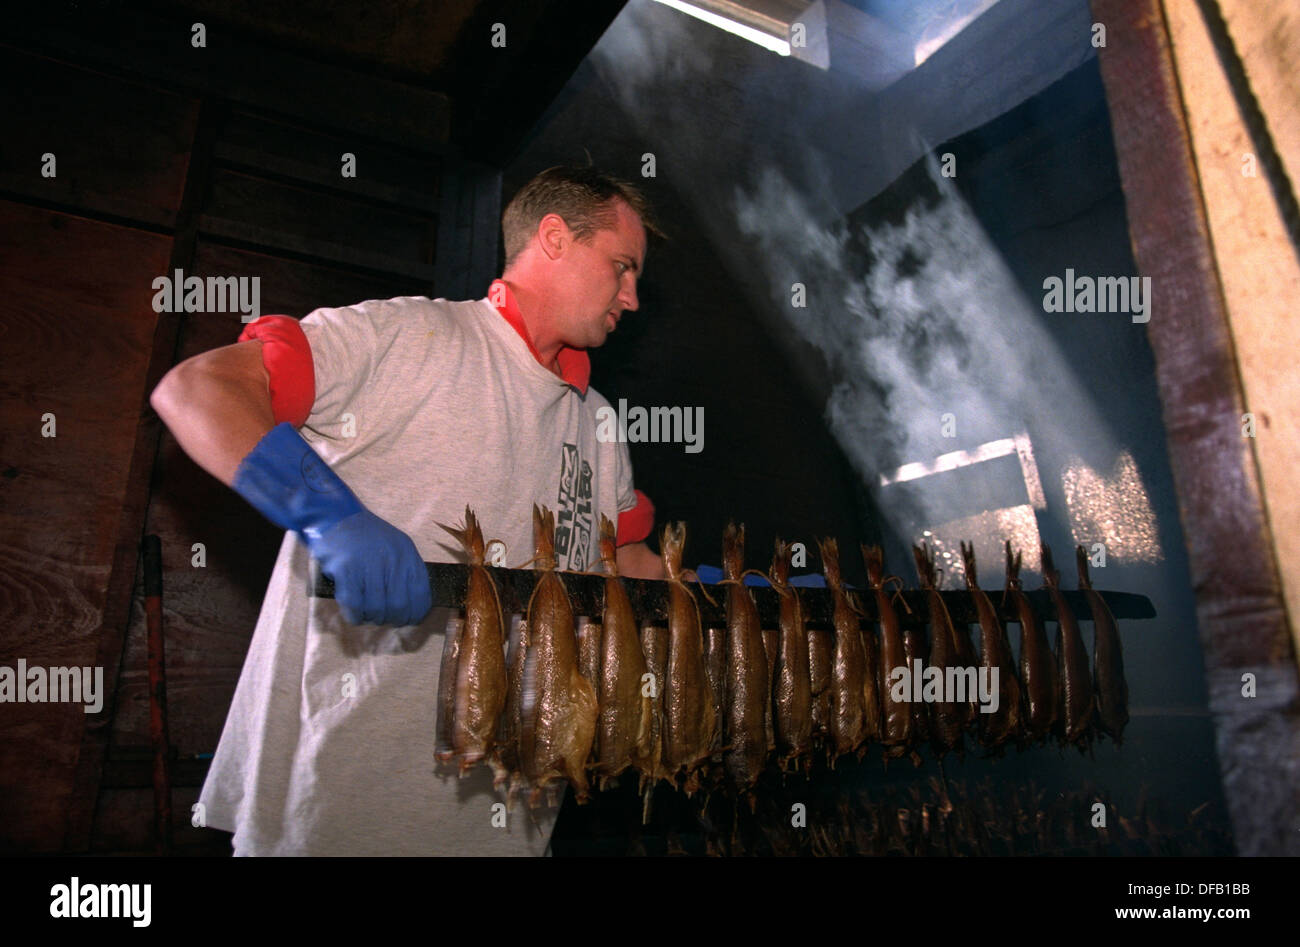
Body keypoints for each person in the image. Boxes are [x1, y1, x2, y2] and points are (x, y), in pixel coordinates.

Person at [151, 165, 666, 855]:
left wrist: (748, 611)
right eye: (622, 267)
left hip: (510, 821)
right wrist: (330, 515)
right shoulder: (409, 338)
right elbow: (200, 387)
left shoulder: (598, 423)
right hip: (342, 807)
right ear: (553, 238)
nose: (631, 297)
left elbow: (627, 564)